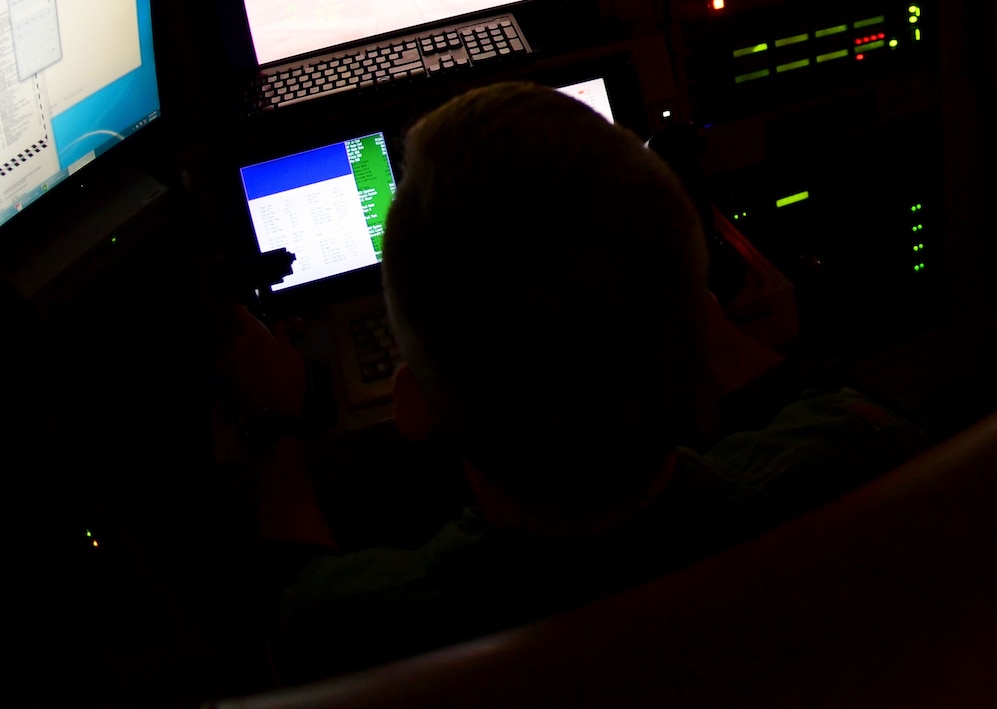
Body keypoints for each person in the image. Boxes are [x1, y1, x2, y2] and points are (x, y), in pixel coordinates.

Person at [223, 82, 930, 683]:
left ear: (414, 406)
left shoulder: (347, 626)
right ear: (693, 358)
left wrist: (277, 425)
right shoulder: (860, 453)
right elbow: (830, 404)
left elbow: (285, 594)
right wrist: (685, 311)